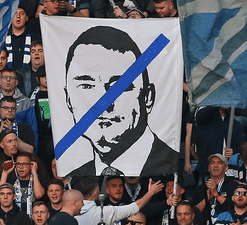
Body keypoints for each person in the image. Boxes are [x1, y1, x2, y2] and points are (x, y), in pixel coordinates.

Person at [64, 26, 177, 176]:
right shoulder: (75, 175)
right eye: (86, 86)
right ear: (68, 99)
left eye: (120, 87)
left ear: (147, 97)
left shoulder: (173, 168)